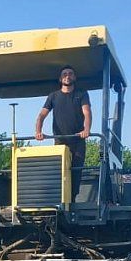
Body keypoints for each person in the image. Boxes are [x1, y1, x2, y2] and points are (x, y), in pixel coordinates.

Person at [35, 66, 92, 198]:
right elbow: (42, 115)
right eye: (65, 74)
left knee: (76, 172)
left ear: (74, 77)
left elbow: (87, 112)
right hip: (60, 142)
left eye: (70, 74)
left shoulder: (82, 94)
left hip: (78, 140)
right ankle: (60, 200)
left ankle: (72, 201)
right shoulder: (53, 96)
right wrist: (38, 131)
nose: (68, 76)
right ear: (60, 79)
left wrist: (86, 129)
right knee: (60, 172)